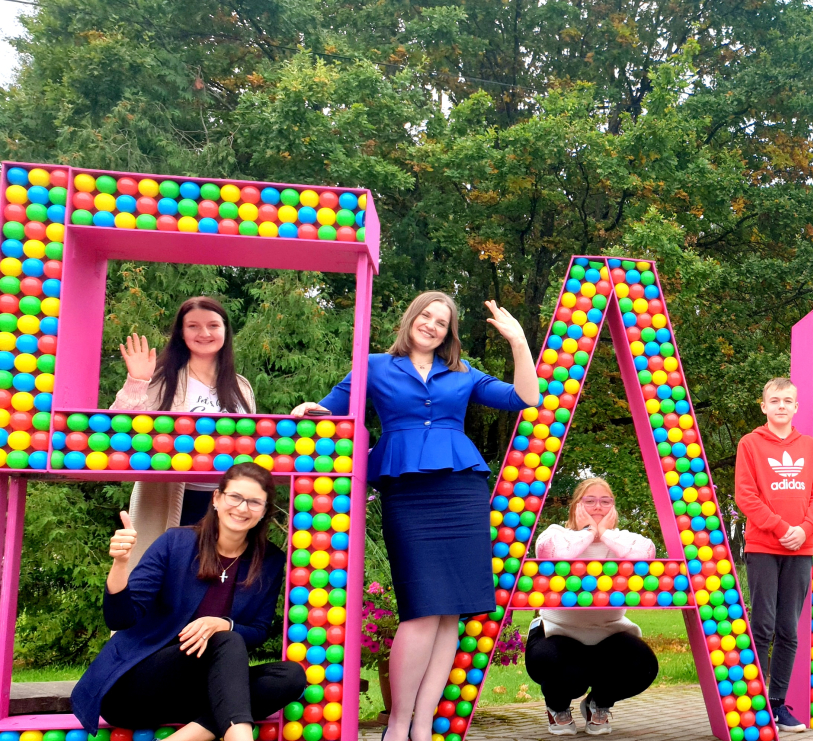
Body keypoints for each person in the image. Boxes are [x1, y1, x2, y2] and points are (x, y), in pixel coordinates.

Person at [292, 291, 540, 741]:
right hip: (406, 490)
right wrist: (309, 412)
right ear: (410, 319)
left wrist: (519, 342)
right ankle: (397, 724)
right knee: (422, 608)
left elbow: (525, 397)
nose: (431, 325)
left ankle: (423, 724)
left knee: (451, 613)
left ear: (449, 333)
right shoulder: (375, 366)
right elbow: (331, 407)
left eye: (441, 322)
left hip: (460, 490)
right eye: (425, 316)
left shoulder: (462, 372)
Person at [72, 463, 305, 741]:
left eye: (254, 502)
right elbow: (120, 619)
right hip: (134, 689)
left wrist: (224, 623)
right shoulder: (176, 543)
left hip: (199, 694)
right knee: (227, 639)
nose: (243, 508)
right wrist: (120, 565)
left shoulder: (268, 561)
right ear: (217, 498)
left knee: (289, 676)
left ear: (264, 511)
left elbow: (258, 631)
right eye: (235, 497)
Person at [111, 297, 258, 567]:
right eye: (193, 326)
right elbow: (117, 437)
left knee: (217, 579)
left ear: (225, 330)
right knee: (162, 577)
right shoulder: (161, 377)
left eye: (213, 325)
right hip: (168, 499)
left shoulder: (241, 387)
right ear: (181, 332)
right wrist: (137, 381)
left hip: (229, 503)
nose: (204, 333)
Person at [528, 478, 659, 735]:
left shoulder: (625, 540)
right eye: (589, 501)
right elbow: (553, 555)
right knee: (557, 664)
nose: (597, 506)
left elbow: (645, 556)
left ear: (614, 509)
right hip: (557, 635)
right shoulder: (556, 534)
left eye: (605, 501)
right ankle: (558, 707)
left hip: (609, 638)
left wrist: (606, 534)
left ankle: (598, 704)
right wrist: (588, 531)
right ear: (576, 506)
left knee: (643, 664)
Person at [734, 377, 813, 732]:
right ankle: (755, 704)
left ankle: (777, 704)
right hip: (763, 546)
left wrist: (803, 529)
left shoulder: (811, 447)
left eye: (788, 401)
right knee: (763, 625)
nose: (782, 406)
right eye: (775, 401)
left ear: (797, 406)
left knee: (788, 628)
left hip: (801, 548)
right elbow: (746, 495)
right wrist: (779, 527)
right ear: (764, 406)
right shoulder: (749, 444)